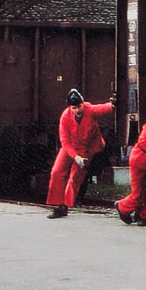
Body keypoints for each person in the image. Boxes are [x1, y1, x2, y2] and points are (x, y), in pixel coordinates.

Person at [46, 88, 116, 218]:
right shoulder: (65, 117)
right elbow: (64, 141)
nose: (77, 110)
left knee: (75, 177)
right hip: (69, 147)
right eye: (74, 108)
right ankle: (58, 204)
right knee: (56, 171)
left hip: (87, 148)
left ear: (83, 103)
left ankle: (65, 206)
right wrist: (75, 157)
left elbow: (103, 108)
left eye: (79, 106)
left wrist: (112, 105)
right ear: (70, 108)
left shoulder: (90, 110)